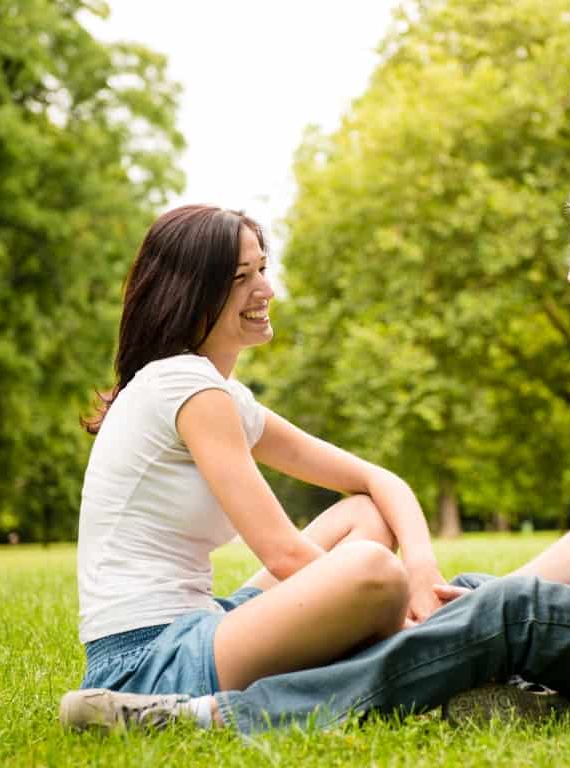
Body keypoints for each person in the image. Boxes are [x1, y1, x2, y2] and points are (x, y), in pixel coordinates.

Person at [60, 162, 570, 732]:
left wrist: (506, 617)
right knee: (473, 592)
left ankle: (222, 716)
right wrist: (473, 602)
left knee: (507, 609)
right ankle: (474, 672)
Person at [61, 205, 446, 729]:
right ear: (190, 293)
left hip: (202, 625)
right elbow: (284, 552)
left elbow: (377, 481)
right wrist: (406, 616)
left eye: (261, 269)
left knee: (362, 517)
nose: (264, 290)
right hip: (146, 662)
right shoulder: (185, 384)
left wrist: (422, 570)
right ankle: (184, 712)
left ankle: (221, 702)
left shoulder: (219, 394)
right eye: (241, 278)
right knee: (374, 572)